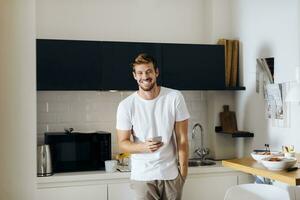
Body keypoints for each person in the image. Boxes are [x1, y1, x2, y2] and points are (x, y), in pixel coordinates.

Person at [116, 53, 190, 200]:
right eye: (140, 72)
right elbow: (122, 144)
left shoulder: (174, 97)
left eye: (149, 71)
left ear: (156, 72)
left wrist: (183, 172)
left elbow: (182, 138)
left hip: (171, 175)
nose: (145, 76)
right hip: (143, 177)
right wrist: (144, 147)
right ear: (135, 76)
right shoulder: (126, 106)